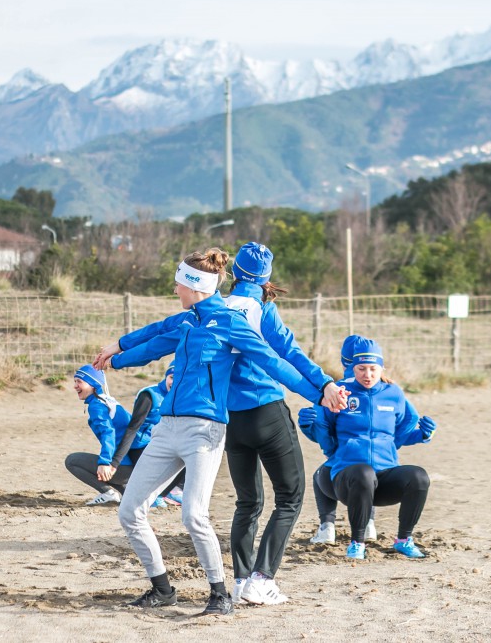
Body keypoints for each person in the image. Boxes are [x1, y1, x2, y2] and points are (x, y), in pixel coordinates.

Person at [94, 248, 346, 616]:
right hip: (168, 428)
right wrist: (115, 355)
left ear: (195, 286)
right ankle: (164, 588)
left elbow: (276, 361)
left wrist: (319, 391)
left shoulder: (230, 321)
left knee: (194, 515)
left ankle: (221, 593)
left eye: (178, 283)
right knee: (131, 511)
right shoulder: (186, 321)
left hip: (206, 429)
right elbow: (153, 339)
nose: (175, 289)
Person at [309, 338, 436, 560]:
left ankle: (404, 539)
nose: (367, 374)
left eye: (373, 369)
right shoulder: (339, 391)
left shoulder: (393, 393)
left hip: (384, 476)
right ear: (352, 368)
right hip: (348, 476)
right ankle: (357, 543)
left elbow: (401, 434)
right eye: (361, 369)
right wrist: (309, 425)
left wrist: (424, 434)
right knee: (364, 472)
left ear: (382, 369)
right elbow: (324, 431)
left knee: (419, 476)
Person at [298, 334, 378, 545]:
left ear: (344, 361)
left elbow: (325, 438)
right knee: (370, 473)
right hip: (376, 471)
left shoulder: (335, 390)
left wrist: (308, 427)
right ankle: (369, 524)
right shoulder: (385, 389)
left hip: (341, 474)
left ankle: (327, 528)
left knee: (319, 474)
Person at [64, 364, 149, 506]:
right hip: (133, 462)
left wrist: (105, 462)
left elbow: (108, 433)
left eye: (79, 382)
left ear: (92, 384)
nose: (75, 386)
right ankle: (124, 493)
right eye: (75, 381)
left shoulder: (96, 405)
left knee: (72, 461)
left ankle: (108, 493)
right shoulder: (108, 400)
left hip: (122, 467)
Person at [105, 362, 186, 507]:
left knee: (187, 456)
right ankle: (157, 496)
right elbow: (132, 428)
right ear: (166, 376)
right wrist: (115, 461)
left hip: (161, 443)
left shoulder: (181, 397)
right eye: (172, 377)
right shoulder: (150, 395)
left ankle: (166, 493)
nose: (174, 382)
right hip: (140, 444)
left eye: (180, 379)